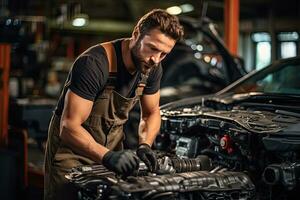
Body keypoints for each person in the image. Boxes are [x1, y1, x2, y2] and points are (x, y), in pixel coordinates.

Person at [44, 9, 184, 200]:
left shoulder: (152, 67)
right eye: (152, 48)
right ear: (136, 34)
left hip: (111, 153)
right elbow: (69, 127)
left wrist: (145, 145)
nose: (156, 59)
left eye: (164, 54)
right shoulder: (94, 64)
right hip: (71, 155)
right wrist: (107, 156)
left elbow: (151, 113)